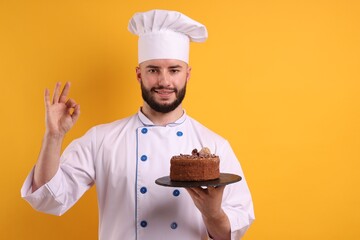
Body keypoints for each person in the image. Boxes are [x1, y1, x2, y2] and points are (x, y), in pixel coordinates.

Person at [21, 9, 255, 240]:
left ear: (187, 74)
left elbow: (230, 234)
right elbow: (48, 199)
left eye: (174, 70)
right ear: (139, 74)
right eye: (153, 70)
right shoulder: (101, 139)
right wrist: (53, 137)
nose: (164, 81)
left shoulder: (215, 146)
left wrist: (212, 213)